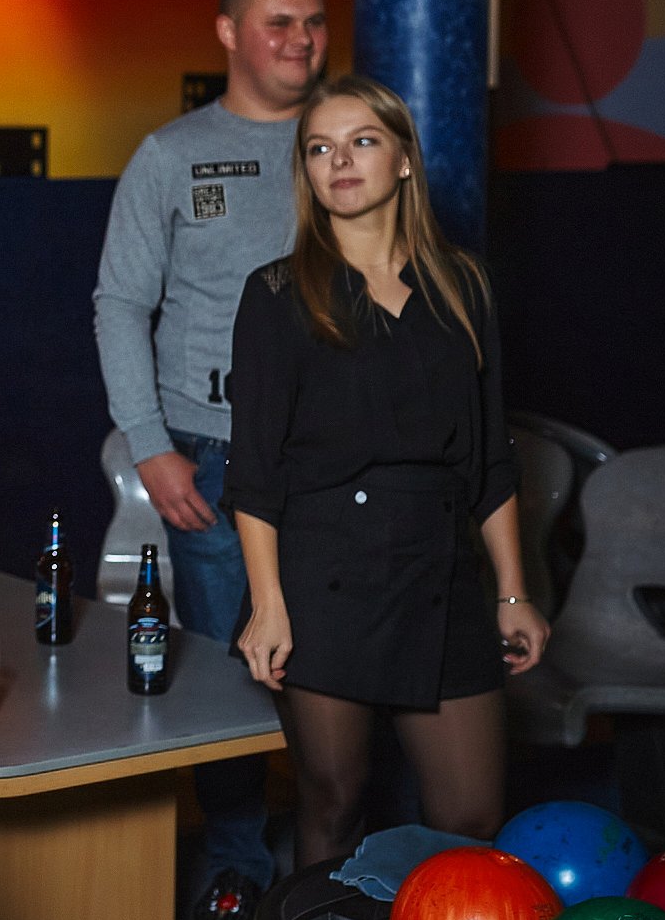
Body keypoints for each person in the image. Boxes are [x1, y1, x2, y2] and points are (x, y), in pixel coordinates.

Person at [221, 74, 551, 870]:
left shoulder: (463, 286)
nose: (339, 161)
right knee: (334, 804)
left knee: (471, 814)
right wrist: (268, 605)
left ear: (403, 159)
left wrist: (512, 592)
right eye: (320, 148)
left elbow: (489, 457)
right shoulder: (276, 293)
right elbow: (255, 470)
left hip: (439, 568)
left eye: (362, 141)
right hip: (323, 573)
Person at [92, 0, 328, 920]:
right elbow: (120, 303)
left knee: (344, 662)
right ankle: (236, 860)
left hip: (333, 458)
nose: (301, 40)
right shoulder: (172, 154)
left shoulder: (345, 142)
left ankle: (343, 862)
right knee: (230, 669)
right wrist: (152, 447)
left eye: (314, 22)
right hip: (212, 453)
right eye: (279, 22)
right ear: (229, 32)